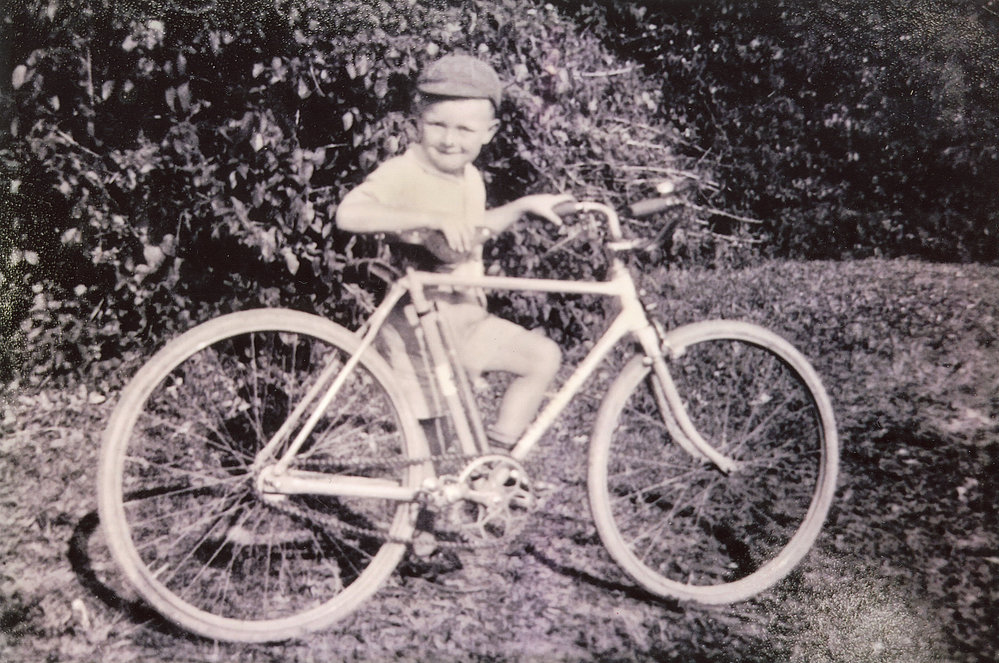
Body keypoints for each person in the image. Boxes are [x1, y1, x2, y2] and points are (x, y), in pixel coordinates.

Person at [336, 54, 570, 452]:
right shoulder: (403, 171)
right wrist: (429, 217)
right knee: (429, 450)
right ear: (417, 121)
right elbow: (348, 214)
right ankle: (417, 513)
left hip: (466, 323)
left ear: (489, 132)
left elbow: (470, 235)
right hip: (418, 334)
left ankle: (494, 463)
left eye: (465, 129)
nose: (450, 140)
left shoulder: (470, 177)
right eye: (437, 124)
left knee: (542, 357)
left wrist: (522, 206)